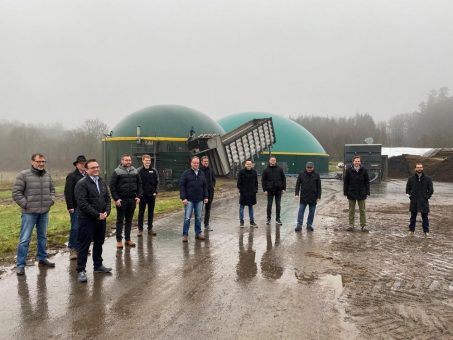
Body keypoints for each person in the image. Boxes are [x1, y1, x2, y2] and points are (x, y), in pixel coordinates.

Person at [12, 153, 56, 275]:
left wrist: (50, 201)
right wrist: (26, 205)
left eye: (43, 161)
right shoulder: (23, 175)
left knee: (42, 237)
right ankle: (20, 265)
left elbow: (52, 190)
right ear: (32, 162)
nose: (41, 164)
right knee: (25, 239)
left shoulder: (47, 175)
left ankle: (42, 258)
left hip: (44, 212)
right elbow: (16, 193)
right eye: (38, 161)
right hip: (29, 214)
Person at [74, 159, 112, 283]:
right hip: (87, 220)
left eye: (97, 167)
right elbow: (82, 203)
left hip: (101, 219)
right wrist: (97, 215)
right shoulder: (82, 183)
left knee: (99, 243)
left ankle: (98, 266)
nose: (96, 169)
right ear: (86, 170)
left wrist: (107, 211)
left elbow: (107, 198)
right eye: (92, 168)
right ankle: (81, 270)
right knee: (84, 245)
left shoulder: (101, 181)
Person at [109, 154, 142, 248]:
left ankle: (128, 239)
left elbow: (140, 184)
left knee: (129, 220)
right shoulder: (117, 171)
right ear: (122, 161)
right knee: (120, 220)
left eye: (129, 160)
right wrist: (116, 198)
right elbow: (112, 186)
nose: (128, 162)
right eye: (126, 160)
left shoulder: (135, 171)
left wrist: (139, 196)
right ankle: (119, 240)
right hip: (121, 200)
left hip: (132, 200)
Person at [179, 156, 208, 242]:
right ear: (191, 163)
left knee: (198, 217)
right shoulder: (186, 173)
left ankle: (198, 233)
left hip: (199, 200)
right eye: (194, 163)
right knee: (187, 218)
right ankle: (185, 234)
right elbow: (181, 186)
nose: (196, 164)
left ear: (199, 164)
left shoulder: (201, 173)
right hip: (189, 200)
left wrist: (206, 196)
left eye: (197, 163)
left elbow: (205, 186)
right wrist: (183, 198)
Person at [64, 155, 87, 260]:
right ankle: (73, 248)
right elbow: (68, 192)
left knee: (84, 228)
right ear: (77, 165)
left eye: (84, 163)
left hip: (87, 206)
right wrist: (70, 206)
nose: (83, 165)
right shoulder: (72, 176)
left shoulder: (88, 175)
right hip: (76, 206)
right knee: (75, 227)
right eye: (81, 164)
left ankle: (81, 248)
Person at [406, 163, 434, 238]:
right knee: (413, 217)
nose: (419, 169)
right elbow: (408, 189)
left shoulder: (428, 179)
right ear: (415, 169)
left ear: (423, 168)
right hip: (414, 201)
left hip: (423, 201)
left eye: (421, 167)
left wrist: (427, 197)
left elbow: (431, 190)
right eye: (418, 167)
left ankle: (426, 232)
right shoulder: (411, 179)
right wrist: (410, 196)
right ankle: (411, 231)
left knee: (425, 217)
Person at [343, 155, 370, 231]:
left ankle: (363, 225)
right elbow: (346, 182)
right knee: (351, 210)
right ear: (353, 162)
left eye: (358, 161)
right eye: (356, 161)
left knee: (362, 210)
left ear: (360, 162)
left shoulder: (364, 170)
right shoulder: (348, 170)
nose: (357, 162)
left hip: (362, 193)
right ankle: (351, 225)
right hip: (351, 193)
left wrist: (367, 192)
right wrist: (346, 192)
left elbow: (367, 182)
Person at [294, 161, 321, 232]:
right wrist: (296, 194)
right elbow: (297, 185)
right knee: (301, 211)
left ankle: (309, 225)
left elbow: (319, 187)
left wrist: (319, 196)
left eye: (310, 167)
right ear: (305, 167)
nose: (309, 169)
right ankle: (299, 225)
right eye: (308, 167)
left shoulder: (316, 175)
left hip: (313, 197)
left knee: (312, 212)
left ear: (313, 167)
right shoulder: (301, 174)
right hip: (304, 197)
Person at [137, 154, 159, 237]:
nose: (148, 162)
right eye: (146, 160)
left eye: (149, 161)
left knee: (151, 212)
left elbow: (157, 181)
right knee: (141, 212)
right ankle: (140, 230)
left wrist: (155, 192)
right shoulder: (138, 171)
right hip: (142, 196)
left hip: (151, 195)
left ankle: (150, 228)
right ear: (142, 161)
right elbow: (137, 183)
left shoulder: (154, 171)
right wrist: (139, 194)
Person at [261, 156, 286, 225]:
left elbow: (283, 178)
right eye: (271, 160)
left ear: (276, 161)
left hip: (278, 190)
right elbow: (263, 180)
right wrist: (264, 190)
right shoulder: (266, 170)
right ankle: (268, 219)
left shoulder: (280, 169)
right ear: (269, 161)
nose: (273, 161)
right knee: (269, 205)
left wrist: (284, 188)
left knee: (278, 205)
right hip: (270, 190)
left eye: (274, 160)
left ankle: (278, 219)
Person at [237, 159, 258, 227]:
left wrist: (255, 190)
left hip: (252, 193)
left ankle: (252, 222)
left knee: (251, 207)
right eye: (247, 164)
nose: (249, 165)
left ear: (252, 165)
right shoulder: (241, 172)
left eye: (250, 164)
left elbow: (256, 183)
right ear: (245, 165)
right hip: (244, 193)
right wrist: (242, 191)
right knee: (241, 207)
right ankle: (241, 222)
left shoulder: (254, 172)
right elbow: (239, 184)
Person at [200, 156, 216, 231]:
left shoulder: (211, 170)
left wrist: (213, 186)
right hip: (201, 193)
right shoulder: (199, 171)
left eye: (207, 161)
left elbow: (214, 179)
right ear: (201, 162)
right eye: (204, 161)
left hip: (210, 192)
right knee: (199, 210)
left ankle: (206, 225)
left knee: (208, 209)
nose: (206, 162)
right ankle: (198, 226)